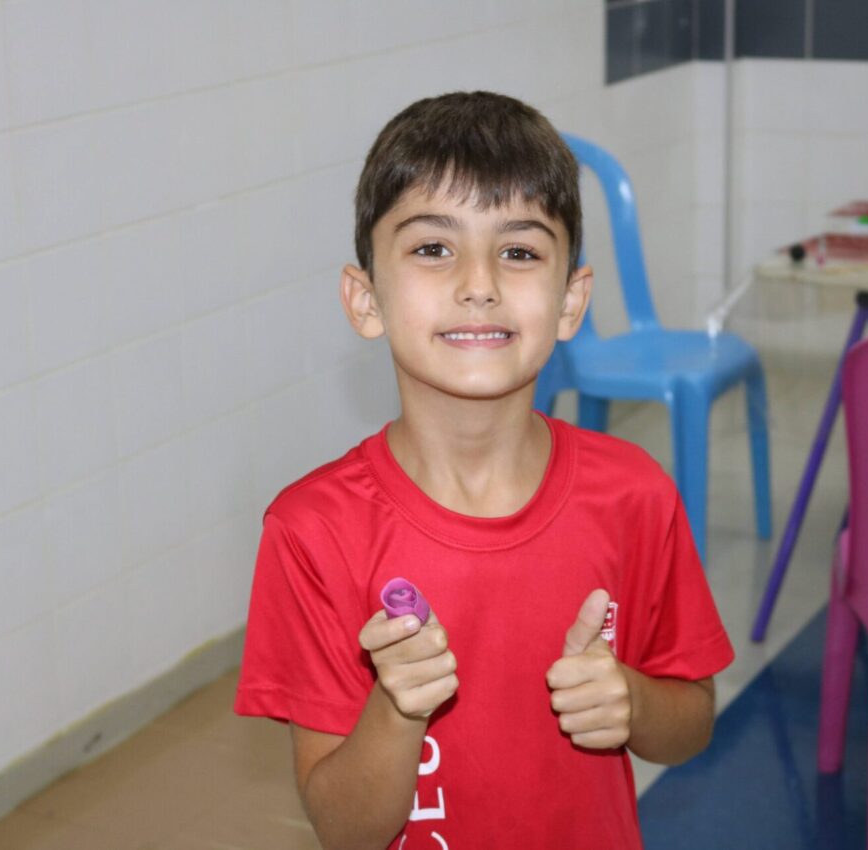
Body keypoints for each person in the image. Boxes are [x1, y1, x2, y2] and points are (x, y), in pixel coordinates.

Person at [233, 91, 734, 849]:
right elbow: (344, 830)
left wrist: (631, 701)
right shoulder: (312, 531)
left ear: (570, 302)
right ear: (365, 300)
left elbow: (690, 724)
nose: (479, 283)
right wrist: (396, 709)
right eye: (433, 248)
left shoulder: (633, 493)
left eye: (519, 251)